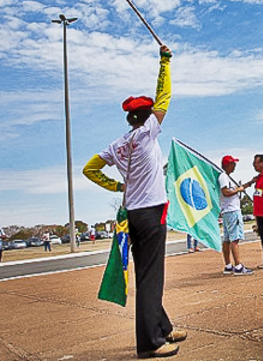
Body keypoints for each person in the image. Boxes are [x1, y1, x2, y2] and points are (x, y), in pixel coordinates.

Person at [82, 45, 186, 359]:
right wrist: (165, 62)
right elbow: (164, 95)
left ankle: (163, 326)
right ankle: (150, 343)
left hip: (130, 214)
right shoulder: (146, 135)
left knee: (146, 274)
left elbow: (89, 169)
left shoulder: (119, 143)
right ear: (147, 115)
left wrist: (116, 185)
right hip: (152, 213)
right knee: (152, 277)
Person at [219, 155, 253, 275]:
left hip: (228, 212)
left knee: (227, 239)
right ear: (227, 165)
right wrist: (238, 190)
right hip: (232, 211)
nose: (235, 166)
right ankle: (238, 266)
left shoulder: (227, 177)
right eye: (233, 164)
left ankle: (228, 265)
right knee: (235, 239)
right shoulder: (224, 177)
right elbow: (226, 192)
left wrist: (248, 184)